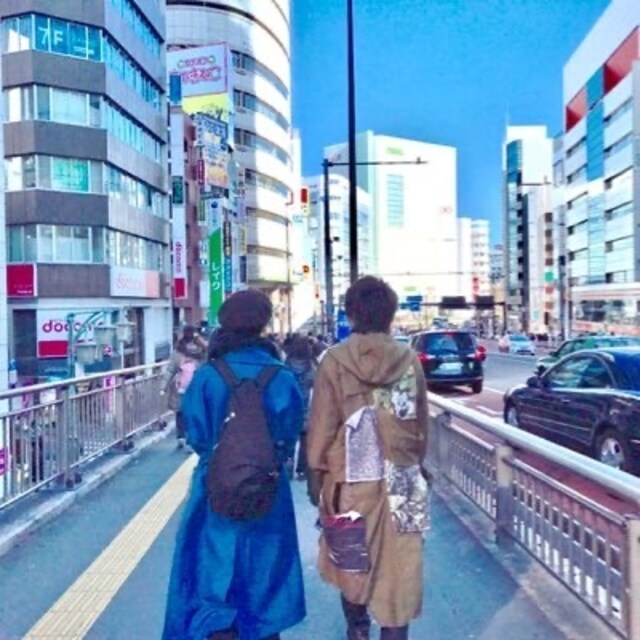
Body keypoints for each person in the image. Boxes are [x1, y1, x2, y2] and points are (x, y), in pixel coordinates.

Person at [162, 289, 306, 640]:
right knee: (265, 576)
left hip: (215, 487)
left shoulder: (209, 375)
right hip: (268, 488)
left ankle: (219, 628)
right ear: (263, 324)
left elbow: (196, 433)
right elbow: (290, 433)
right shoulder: (282, 376)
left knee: (213, 569)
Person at [306, 276, 429, 640]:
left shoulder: (334, 361)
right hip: (403, 477)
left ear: (351, 314)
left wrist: (316, 475)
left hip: (349, 481)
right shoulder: (408, 361)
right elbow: (419, 424)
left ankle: (357, 630)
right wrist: (416, 463)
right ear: (391, 314)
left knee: (351, 564)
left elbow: (322, 426)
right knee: (401, 569)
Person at [162, 325, 206, 448]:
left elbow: (170, 370)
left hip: (180, 387)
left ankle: (181, 436)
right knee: (193, 412)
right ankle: (190, 437)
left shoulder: (178, 350)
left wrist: (163, 387)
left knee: (180, 411)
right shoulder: (201, 350)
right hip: (197, 387)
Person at [284, 334, 316, 480]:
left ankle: (288, 464)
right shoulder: (311, 367)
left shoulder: (286, 366)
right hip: (306, 409)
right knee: (305, 440)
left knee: (289, 438)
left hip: (289, 408)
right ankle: (302, 470)